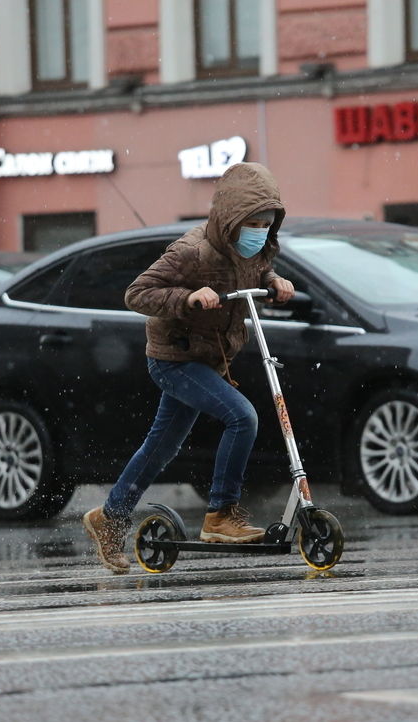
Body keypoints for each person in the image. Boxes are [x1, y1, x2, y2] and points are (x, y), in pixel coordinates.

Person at [82, 162, 295, 573]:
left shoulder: (254, 247)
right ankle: (219, 515)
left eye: (267, 223)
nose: (260, 231)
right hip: (173, 358)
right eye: (253, 222)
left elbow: (255, 267)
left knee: (161, 446)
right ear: (231, 219)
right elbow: (137, 293)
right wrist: (187, 297)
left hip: (210, 357)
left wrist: (274, 280)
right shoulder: (192, 251)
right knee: (242, 417)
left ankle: (109, 517)